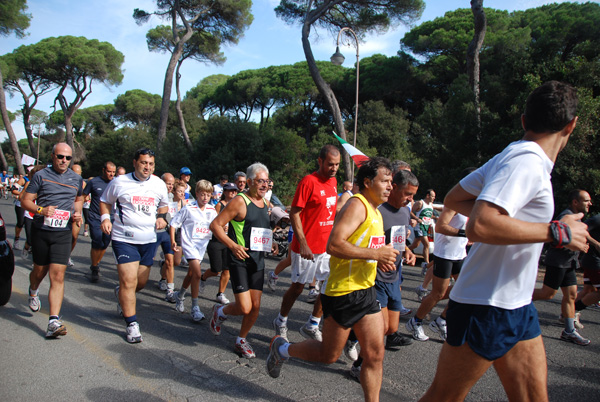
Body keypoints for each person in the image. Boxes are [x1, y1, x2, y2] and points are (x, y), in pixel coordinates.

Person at [419, 81, 589, 401]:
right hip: (484, 306)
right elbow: (480, 226)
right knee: (442, 397)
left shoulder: (511, 155)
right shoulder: (526, 161)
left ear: (524, 120)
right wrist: (557, 232)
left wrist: (543, 228)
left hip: (516, 305)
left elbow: (455, 198)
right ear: (572, 125)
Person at [267, 157, 399, 402]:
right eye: (386, 181)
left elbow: (364, 246)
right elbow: (334, 244)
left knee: (375, 355)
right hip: (342, 293)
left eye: (391, 181)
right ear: (368, 182)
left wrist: (381, 256)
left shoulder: (376, 211)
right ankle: (282, 349)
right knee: (328, 355)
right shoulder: (357, 205)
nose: (391, 186)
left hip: (366, 291)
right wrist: (375, 254)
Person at [348, 169, 418, 378]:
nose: (410, 199)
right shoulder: (378, 210)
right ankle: (359, 365)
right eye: (408, 194)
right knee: (381, 329)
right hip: (376, 277)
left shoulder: (405, 212)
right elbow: (363, 242)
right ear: (394, 188)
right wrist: (377, 260)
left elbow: (398, 240)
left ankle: (353, 334)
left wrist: (408, 250)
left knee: (391, 329)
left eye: (413, 195)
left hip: (394, 276)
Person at [100, 148, 169, 343]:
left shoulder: (159, 184)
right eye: (143, 163)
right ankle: (132, 324)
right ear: (135, 163)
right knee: (129, 282)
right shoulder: (119, 182)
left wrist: (162, 218)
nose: (147, 167)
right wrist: (106, 218)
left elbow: (163, 205)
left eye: (151, 164)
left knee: (140, 283)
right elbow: (105, 201)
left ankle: (121, 292)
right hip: (124, 238)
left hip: (148, 239)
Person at [272, 145, 340, 342]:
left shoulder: (334, 181)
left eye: (336, 165)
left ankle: (312, 324)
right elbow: (294, 212)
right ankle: (281, 320)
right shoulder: (308, 182)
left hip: (326, 247)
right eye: (330, 164)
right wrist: (302, 242)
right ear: (320, 162)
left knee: (327, 287)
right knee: (298, 288)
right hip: (306, 247)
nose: (334, 168)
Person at [20, 143, 84, 338]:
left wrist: (78, 213)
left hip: (63, 232)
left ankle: (53, 321)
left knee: (57, 275)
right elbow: (25, 200)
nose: (64, 161)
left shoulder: (76, 178)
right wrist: (41, 210)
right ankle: (33, 290)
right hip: (42, 230)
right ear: (53, 156)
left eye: (67, 158)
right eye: (60, 157)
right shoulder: (41, 176)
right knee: (40, 271)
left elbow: (79, 198)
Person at [209, 163, 272, 359]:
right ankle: (220, 312)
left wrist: (272, 244)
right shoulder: (239, 202)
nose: (265, 185)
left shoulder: (266, 204)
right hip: (240, 260)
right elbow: (216, 225)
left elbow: (261, 231)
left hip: (258, 261)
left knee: (255, 307)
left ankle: (241, 340)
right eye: (261, 181)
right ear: (251, 182)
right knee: (244, 307)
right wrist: (232, 246)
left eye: (267, 181)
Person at [532, 189, 592, 345]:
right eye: (586, 201)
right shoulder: (566, 216)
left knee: (571, 295)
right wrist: (575, 246)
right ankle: (517, 300)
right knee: (547, 294)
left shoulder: (576, 218)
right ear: (575, 202)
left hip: (569, 263)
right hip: (558, 262)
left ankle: (569, 331)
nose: (590, 204)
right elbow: (555, 238)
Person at [170, 180, 217, 322]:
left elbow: (216, 225)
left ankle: (180, 295)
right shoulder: (188, 208)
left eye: (208, 195)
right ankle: (195, 307)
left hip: (201, 246)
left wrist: (223, 228)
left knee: (191, 274)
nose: (205, 198)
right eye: (202, 194)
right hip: (189, 244)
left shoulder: (211, 210)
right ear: (196, 194)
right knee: (197, 273)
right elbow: (174, 224)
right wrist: (173, 240)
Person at [199, 182, 238, 306]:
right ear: (224, 192)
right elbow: (213, 223)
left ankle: (220, 293)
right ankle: (203, 278)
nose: (232, 192)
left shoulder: (238, 206)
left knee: (227, 270)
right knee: (216, 270)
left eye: (234, 190)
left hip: (230, 241)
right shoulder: (219, 205)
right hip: (216, 241)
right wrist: (220, 227)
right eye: (230, 190)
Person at [82, 161, 116, 282]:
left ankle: (96, 263)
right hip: (95, 216)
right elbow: (83, 195)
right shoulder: (93, 182)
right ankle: (95, 267)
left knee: (105, 242)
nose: (111, 174)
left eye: (113, 172)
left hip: (110, 217)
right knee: (97, 239)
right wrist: (78, 212)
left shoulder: (116, 182)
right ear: (103, 170)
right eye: (109, 172)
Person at [156, 172, 177, 301]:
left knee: (171, 261)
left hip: (168, 233)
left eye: (172, 184)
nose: (170, 186)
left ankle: (170, 290)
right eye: (168, 183)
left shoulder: (173, 196)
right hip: (154, 232)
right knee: (144, 263)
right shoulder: (155, 194)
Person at [409, 189, 442, 269]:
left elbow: (428, 215)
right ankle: (426, 264)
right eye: (433, 196)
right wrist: (417, 219)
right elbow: (410, 212)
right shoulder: (420, 203)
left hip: (426, 227)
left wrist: (435, 217)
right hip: (419, 226)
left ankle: (402, 252)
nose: (434, 198)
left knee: (415, 245)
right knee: (426, 244)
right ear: (428, 196)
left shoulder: (431, 205)